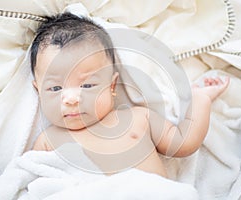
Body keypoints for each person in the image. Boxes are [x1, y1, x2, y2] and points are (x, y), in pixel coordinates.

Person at [30, 12, 230, 177]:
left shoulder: (139, 118)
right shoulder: (48, 141)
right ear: (38, 90)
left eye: (88, 85)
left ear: (112, 85)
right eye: (55, 89)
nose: (72, 99)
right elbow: (27, 180)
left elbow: (183, 143)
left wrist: (201, 98)